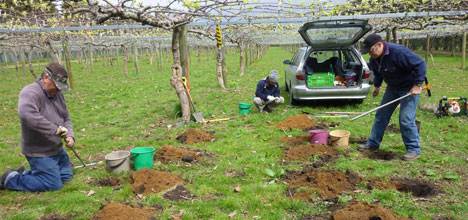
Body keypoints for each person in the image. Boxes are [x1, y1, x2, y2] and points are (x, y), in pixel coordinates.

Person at [0, 63, 76, 191]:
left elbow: (66, 118)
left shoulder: (57, 94)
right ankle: (11, 179)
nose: (58, 90)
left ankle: (34, 174)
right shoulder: (30, 92)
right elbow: (27, 116)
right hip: (39, 151)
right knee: (54, 185)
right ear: (46, 77)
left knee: (66, 176)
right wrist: (55, 129)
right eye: (56, 86)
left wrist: (70, 135)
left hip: (56, 149)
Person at [359, 33, 426, 160]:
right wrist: (377, 86)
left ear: (379, 45)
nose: (370, 54)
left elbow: (420, 64)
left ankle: (413, 149)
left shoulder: (399, 52)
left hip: (409, 88)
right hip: (393, 88)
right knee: (381, 115)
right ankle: (373, 143)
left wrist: (417, 85)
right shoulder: (374, 58)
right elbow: (379, 73)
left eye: (371, 50)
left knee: (406, 119)